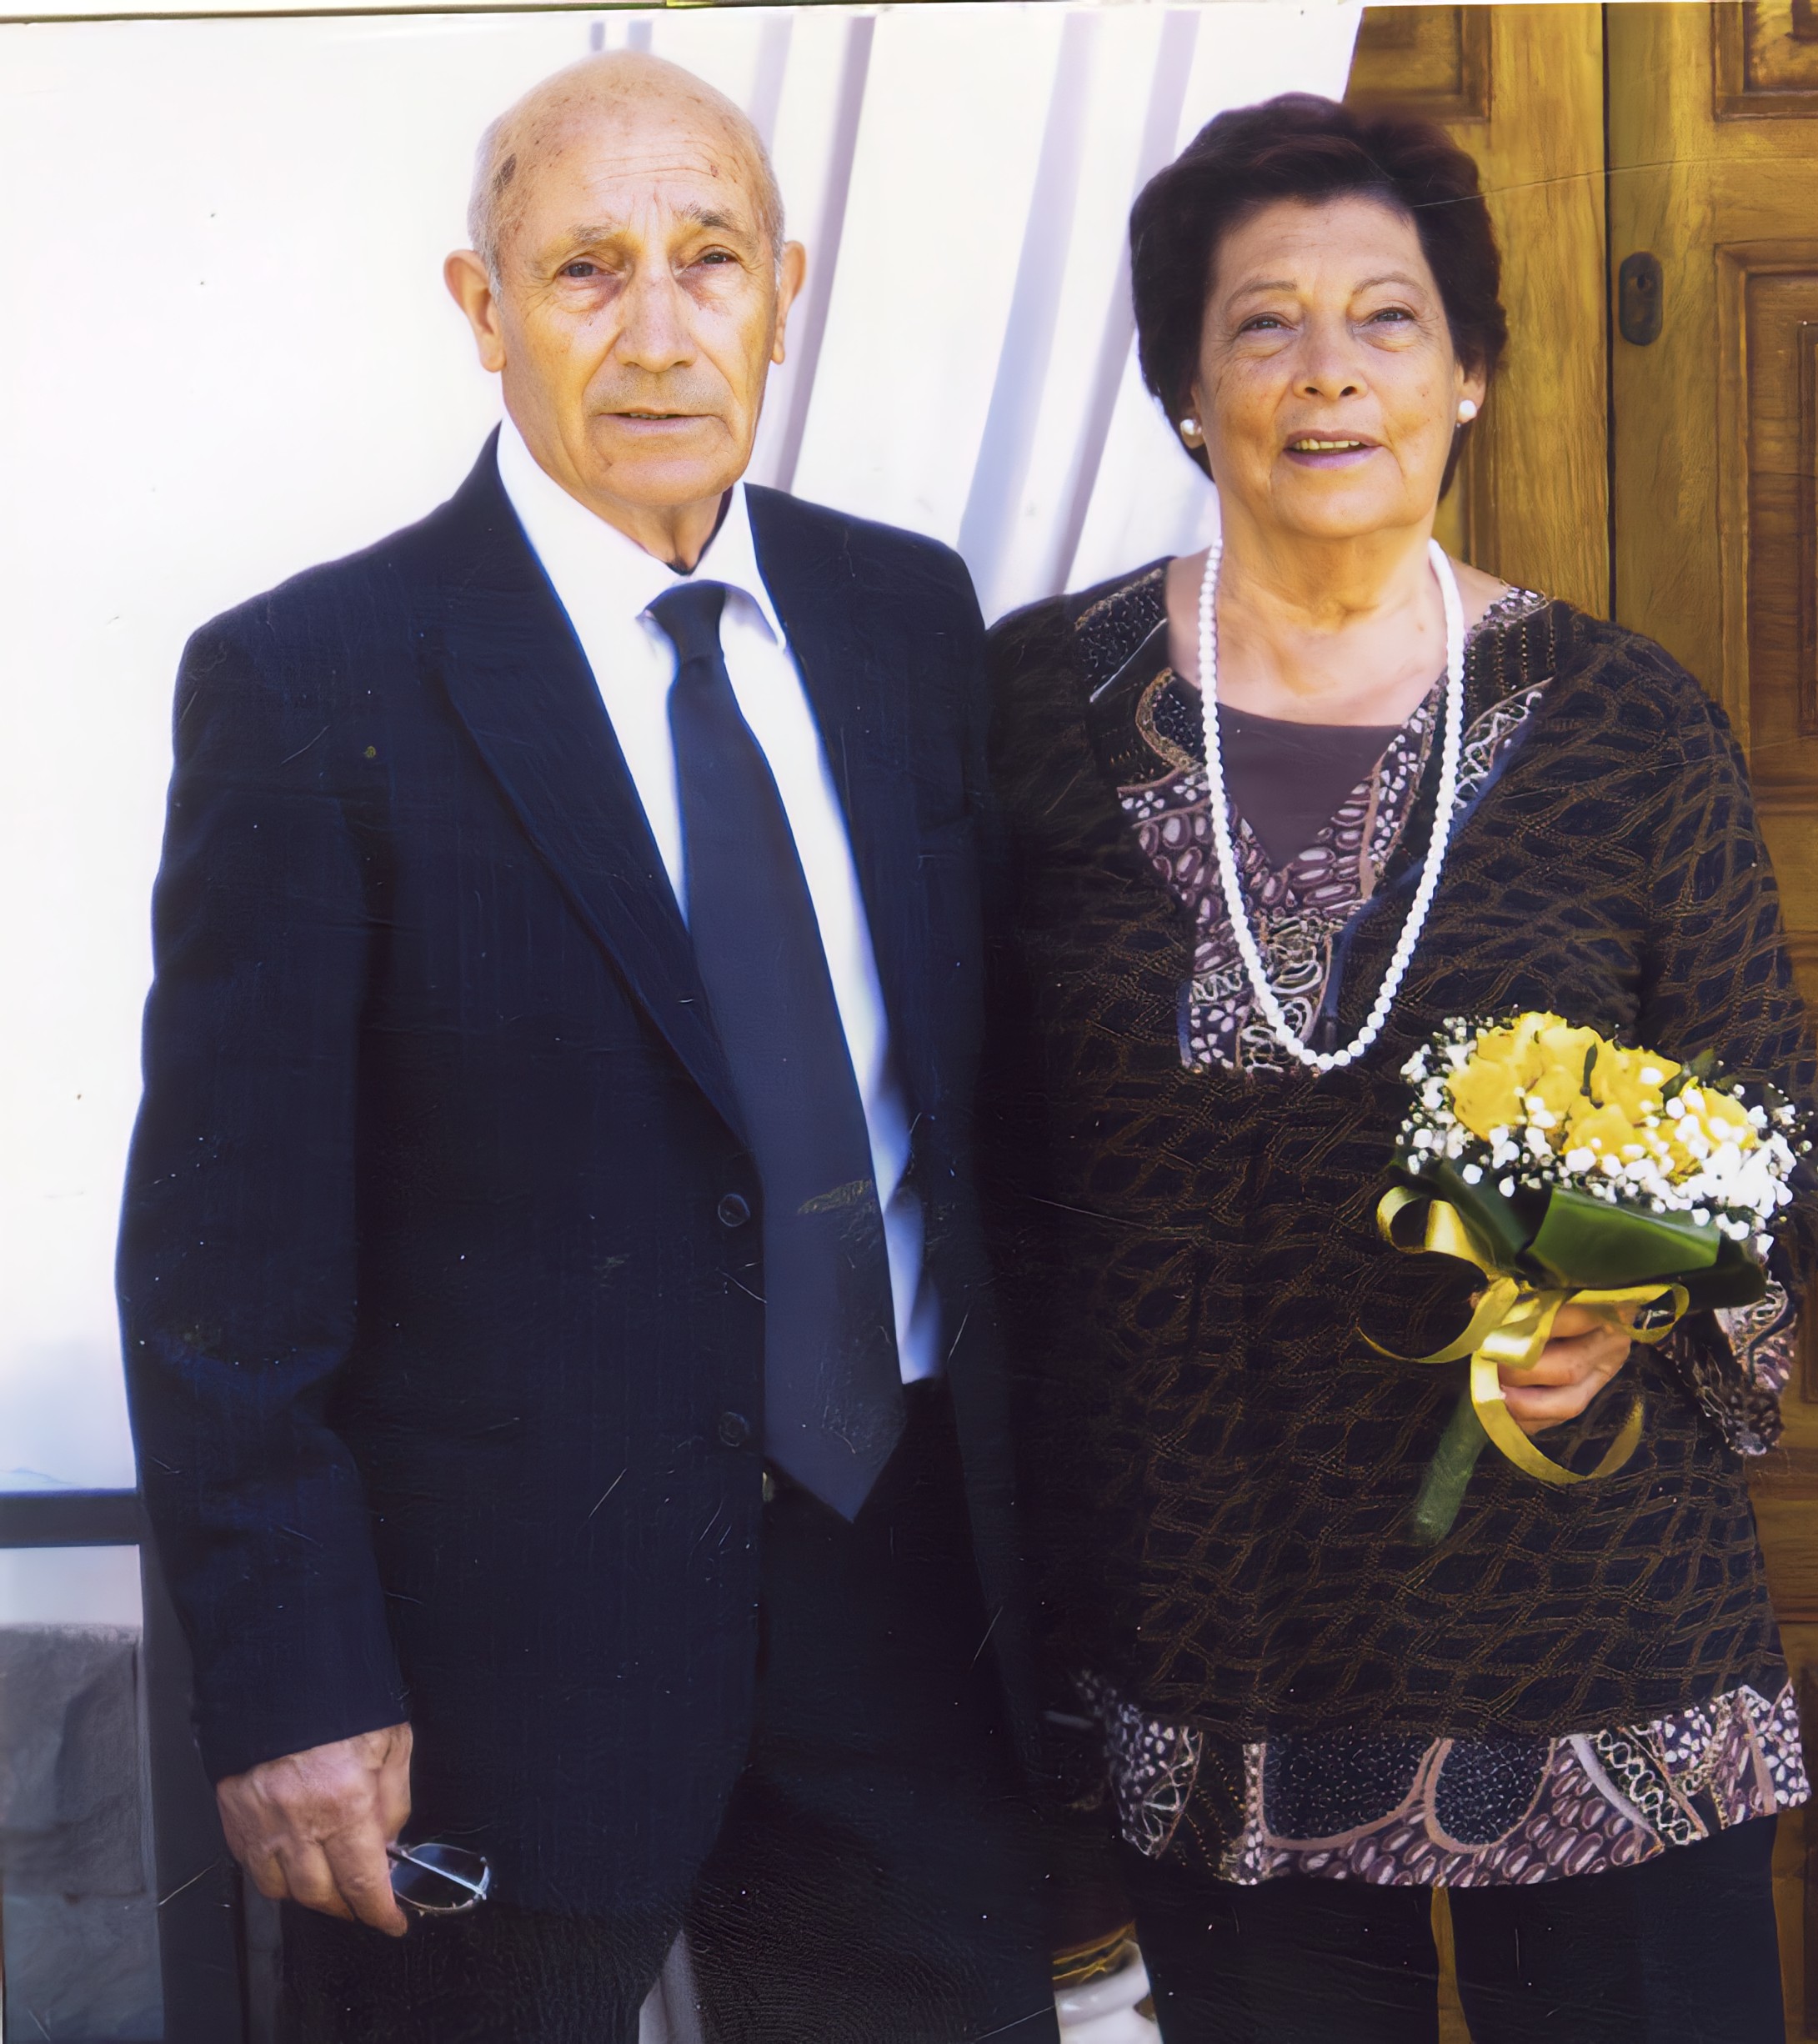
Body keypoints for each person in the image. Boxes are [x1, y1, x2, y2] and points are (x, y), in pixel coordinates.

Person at [118, 52, 1055, 2044]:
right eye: (584, 268)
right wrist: (291, 1680)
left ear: (784, 292)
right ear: (483, 308)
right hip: (497, 1663)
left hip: (902, 1617)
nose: (656, 330)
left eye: (708, 260)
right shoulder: (309, 680)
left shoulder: (904, 620)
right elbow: (222, 1269)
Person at [984, 94, 1818, 2044]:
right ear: (1185, 388)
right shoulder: (1030, 709)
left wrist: (1632, 1301)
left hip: (1598, 1640)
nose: (1329, 372)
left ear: (1467, 375)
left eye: (1387, 318)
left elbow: (1785, 1144)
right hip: (1215, 1632)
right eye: (1263, 324)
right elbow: (980, 1166)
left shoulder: (1629, 722)